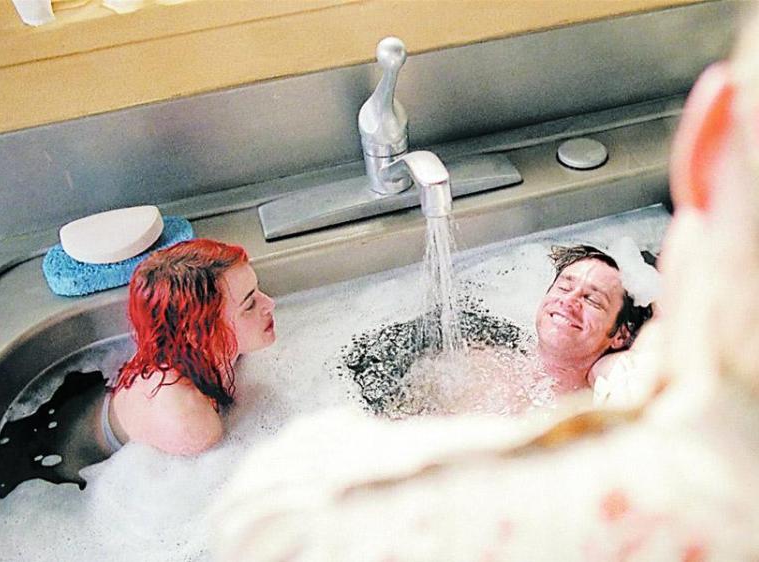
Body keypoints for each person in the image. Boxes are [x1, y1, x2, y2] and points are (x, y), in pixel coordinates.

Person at [210, 9, 759, 560]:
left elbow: (265, 514)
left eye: (593, 299)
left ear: (705, 136)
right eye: (565, 285)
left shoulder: (614, 401)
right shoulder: (476, 364)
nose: (571, 299)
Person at [105, 238, 276, 455]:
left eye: (258, 290)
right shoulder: (193, 424)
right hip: (94, 448)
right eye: (250, 304)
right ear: (198, 333)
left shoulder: (191, 341)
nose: (270, 303)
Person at [534, 244, 655, 393]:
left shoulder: (617, 391)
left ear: (621, 336)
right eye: (564, 288)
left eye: (592, 300)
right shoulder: (507, 344)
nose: (568, 301)